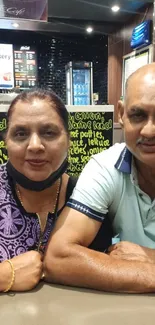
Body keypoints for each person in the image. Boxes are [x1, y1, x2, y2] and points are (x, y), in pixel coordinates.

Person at [44, 63, 155, 293]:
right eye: (138, 115)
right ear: (121, 114)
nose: (149, 131)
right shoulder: (105, 168)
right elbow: (58, 258)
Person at [0, 89, 77, 293]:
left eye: (49, 132)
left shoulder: (89, 198)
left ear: (69, 140)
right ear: (5, 140)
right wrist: (5, 276)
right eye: (20, 133)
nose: (35, 146)